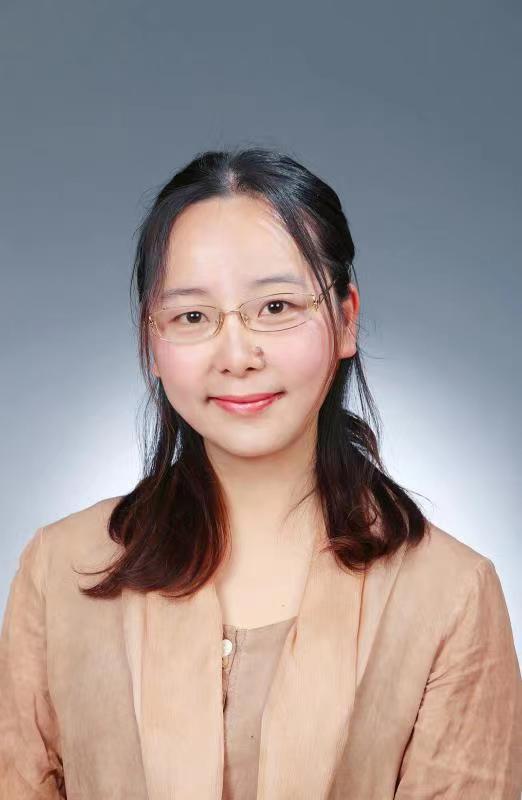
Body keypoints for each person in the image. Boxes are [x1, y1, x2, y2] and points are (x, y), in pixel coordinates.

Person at [1, 146, 520, 799]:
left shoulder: (450, 594)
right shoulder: (62, 570)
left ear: (345, 320)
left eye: (275, 307)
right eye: (193, 316)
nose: (237, 355)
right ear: (151, 343)